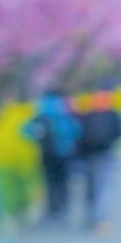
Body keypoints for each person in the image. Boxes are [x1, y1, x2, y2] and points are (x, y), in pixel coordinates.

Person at [24, 91, 83, 225]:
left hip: (46, 154)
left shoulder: (41, 114)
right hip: (63, 154)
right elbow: (76, 131)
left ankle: (52, 209)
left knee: (50, 181)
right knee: (62, 181)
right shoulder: (63, 112)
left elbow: (25, 131)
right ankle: (63, 206)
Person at [72, 91, 118, 234]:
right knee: (103, 185)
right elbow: (117, 132)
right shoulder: (112, 114)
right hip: (105, 153)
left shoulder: (88, 115)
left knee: (91, 185)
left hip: (89, 155)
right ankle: (101, 217)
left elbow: (80, 135)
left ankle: (92, 216)